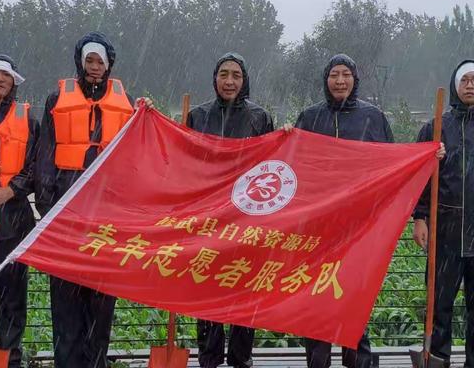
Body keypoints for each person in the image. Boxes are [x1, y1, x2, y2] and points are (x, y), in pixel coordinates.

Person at [36, 31, 151, 368]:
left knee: (101, 304)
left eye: (100, 61)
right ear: (80, 62)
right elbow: (45, 154)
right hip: (66, 217)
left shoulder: (127, 102)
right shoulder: (55, 99)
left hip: (107, 219)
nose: (95, 67)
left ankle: (95, 362)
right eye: (90, 60)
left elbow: (137, 157)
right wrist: (47, 208)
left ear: (109, 64)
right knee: (65, 302)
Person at [295, 53, 392, 368]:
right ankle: (317, 359)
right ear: (326, 80)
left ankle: (357, 359)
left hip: (360, 225)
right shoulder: (309, 117)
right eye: (334, 75)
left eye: (346, 74)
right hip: (318, 226)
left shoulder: (373, 117)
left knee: (356, 295)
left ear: (355, 79)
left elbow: (393, 164)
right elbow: (294, 164)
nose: (340, 81)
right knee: (317, 295)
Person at [187, 52, 274, 368]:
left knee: (244, 288)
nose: (229, 81)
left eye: (236, 75)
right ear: (215, 78)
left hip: (247, 218)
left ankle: (241, 357)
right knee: (207, 287)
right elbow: (183, 164)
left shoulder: (259, 118)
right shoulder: (197, 116)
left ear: (244, 79)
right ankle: (209, 357)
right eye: (223, 74)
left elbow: (271, 167)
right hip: (208, 217)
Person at [413, 59, 474, 368]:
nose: (470, 86)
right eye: (465, 81)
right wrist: (420, 218)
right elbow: (418, 177)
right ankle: (438, 360)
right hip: (445, 230)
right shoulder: (436, 126)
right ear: (455, 85)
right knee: (440, 304)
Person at [0, 54, 39, 368]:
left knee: (11, 301)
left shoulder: (28, 119)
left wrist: (9, 191)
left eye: (5, 76)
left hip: (14, 223)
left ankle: (6, 361)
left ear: (14, 83)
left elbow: (38, 167)